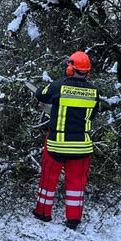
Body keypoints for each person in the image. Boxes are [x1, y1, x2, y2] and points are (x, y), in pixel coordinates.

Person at [33, 51, 99, 230]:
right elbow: (92, 115)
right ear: (87, 71)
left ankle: (43, 213)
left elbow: (40, 93)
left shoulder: (58, 86)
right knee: (77, 184)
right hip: (81, 146)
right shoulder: (94, 91)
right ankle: (73, 220)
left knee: (48, 179)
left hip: (57, 143)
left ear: (70, 68)